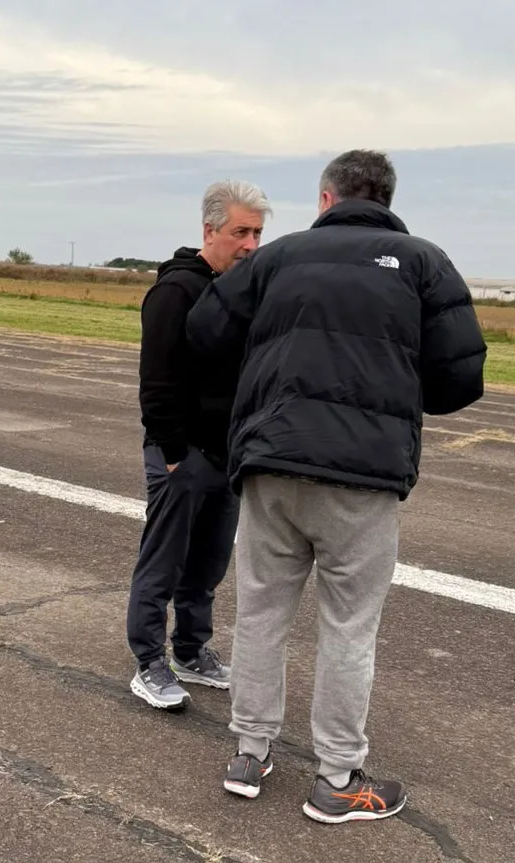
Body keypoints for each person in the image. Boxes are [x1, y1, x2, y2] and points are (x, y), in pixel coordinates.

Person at [185, 150, 486, 822]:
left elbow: (204, 330)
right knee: (349, 626)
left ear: (327, 198)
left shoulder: (278, 257)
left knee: (261, 612)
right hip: (361, 476)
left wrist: (266, 373)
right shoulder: (423, 262)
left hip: (270, 461)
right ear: (386, 198)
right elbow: (460, 377)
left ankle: (249, 751)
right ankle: (337, 776)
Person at [126, 179, 273, 710]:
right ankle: (149, 661)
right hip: (182, 455)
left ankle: (191, 651)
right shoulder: (176, 292)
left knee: (208, 566)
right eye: (241, 232)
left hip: (227, 456)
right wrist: (172, 454)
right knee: (163, 562)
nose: (250, 244)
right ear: (210, 230)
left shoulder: (243, 294)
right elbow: (156, 383)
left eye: (257, 233)